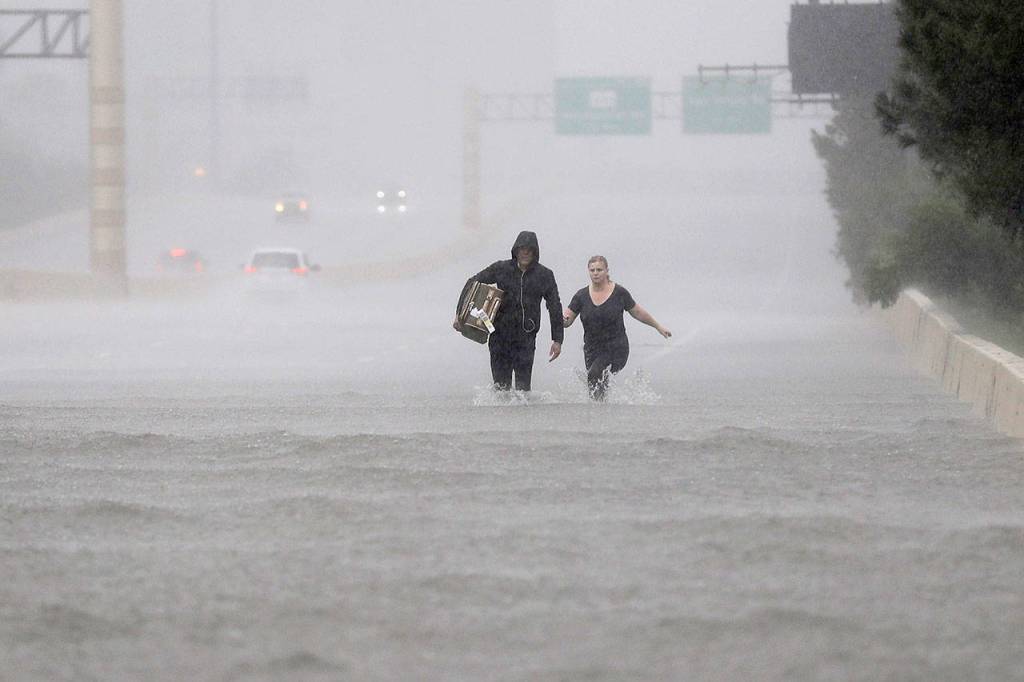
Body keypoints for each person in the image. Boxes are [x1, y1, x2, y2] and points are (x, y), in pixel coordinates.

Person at [453, 231, 563, 391]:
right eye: (522, 249)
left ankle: (521, 416)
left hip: (526, 338)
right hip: (499, 335)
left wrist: (557, 339)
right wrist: (460, 313)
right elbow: (473, 282)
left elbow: (554, 306)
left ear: (535, 252)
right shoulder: (501, 268)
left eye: (529, 250)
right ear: (516, 250)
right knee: (501, 390)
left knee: (523, 390)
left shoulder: (544, 275)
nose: (525, 253)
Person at [563, 255, 671, 400]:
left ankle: (598, 410)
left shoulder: (619, 293)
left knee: (595, 374)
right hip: (592, 349)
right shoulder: (581, 296)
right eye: (592, 270)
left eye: (599, 270)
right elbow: (567, 320)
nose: (595, 273)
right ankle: (604, 411)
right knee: (596, 380)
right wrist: (562, 320)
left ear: (607, 271)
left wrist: (658, 326)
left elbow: (638, 312)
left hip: (617, 347)